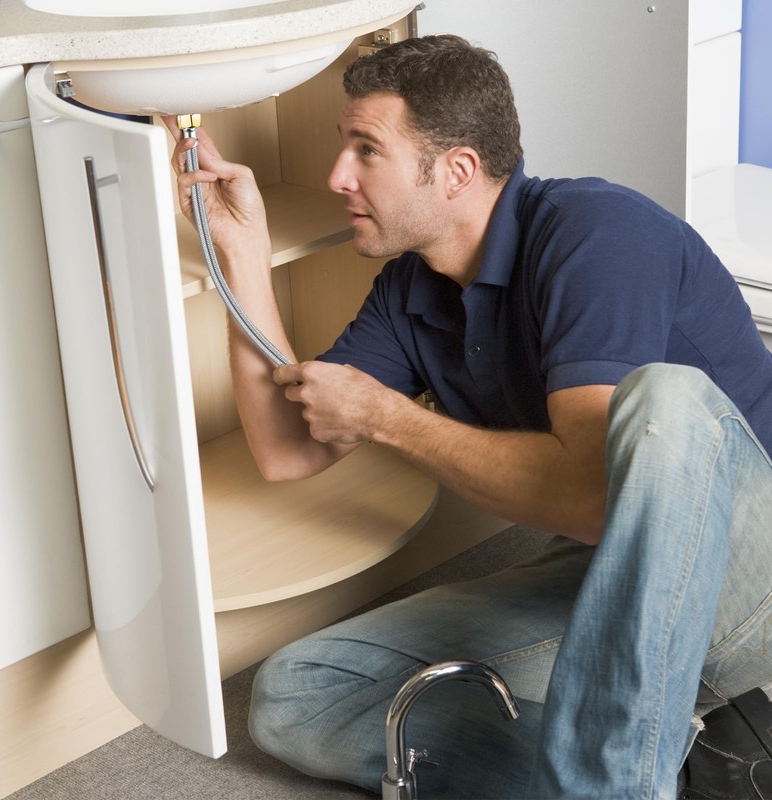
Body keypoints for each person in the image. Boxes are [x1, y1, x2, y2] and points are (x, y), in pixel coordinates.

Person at [166, 34, 772, 800]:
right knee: (299, 694)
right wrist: (242, 254)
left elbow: (590, 493)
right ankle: (690, 772)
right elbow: (287, 450)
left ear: (456, 170)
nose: (337, 176)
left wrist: (388, 417)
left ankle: (611, 784)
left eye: (366, 150)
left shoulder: (600, 233)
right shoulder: (409, 291)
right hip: (615, 581)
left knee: (663, 400)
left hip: (750, 579)